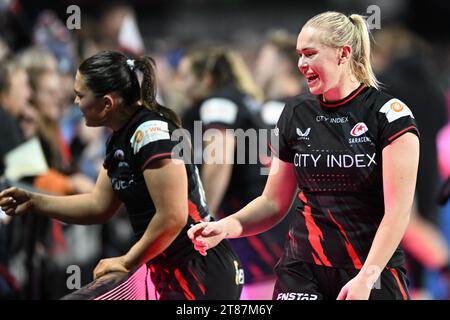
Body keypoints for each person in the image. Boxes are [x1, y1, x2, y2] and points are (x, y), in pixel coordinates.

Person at [188, 11, 420, 300]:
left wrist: (367, 276)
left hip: (370, 267)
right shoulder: (297, 112)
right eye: (298, 55)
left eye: (310, 54)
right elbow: (273, 202)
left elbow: (398, 211)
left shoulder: (389, 115)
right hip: (303, 268)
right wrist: (225, 226)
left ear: (343, 54)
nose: (301, 64)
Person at [0, 50, 243, 300]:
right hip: (173, 272)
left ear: (107, 103)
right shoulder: (121, 137)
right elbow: (98, 205)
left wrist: (127, 261)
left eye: (80, 95)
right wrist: (34, 201)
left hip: (200, 272)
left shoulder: (150, 134)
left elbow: (172, 217)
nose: (74, 102)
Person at [178, 47, 287, 286]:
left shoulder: (218, 102)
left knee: (259, 289)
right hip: (266, 216)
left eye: (185, 76)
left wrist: (203, 219)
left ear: (206, 78)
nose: (180, 84)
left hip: (250, 216)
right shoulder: (245, 99)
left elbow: (219, 160)